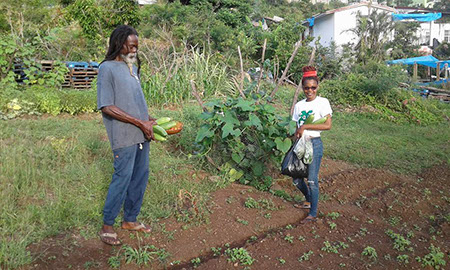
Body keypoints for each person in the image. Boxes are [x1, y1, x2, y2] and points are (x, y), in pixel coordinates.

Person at [97, 25, 156, 245]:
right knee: (122, 179)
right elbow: (106, 106)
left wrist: (149, 120)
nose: (134, 50)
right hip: (123, 136)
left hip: (142, 134)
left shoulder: (132, 69)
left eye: (136, 46)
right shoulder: (107, 68)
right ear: (118, 43)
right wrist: (139, 122)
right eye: (131, 45)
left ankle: (130, 220)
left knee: (140, 177)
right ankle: (107, 225)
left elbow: (135, 102)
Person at [291, 66, 332, 224]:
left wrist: (306, 127)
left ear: (317, 87)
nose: (310, 91)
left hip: (314, 144)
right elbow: (297, 126)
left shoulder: (323, 103)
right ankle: (308, 200)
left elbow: (327, 125)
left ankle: (313, 213)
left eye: (313, 87)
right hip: (301, 144)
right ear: (302, 88)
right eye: (307, 88)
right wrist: (296, 136)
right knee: (296, 178)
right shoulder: (300, 105)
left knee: (312, 180)